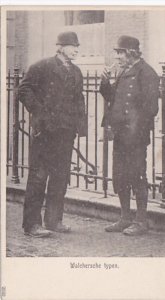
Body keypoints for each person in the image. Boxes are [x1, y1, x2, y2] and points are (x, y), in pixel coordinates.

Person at [18, 31, 86, 237]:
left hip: (65, 133)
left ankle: (54, 221)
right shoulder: (42, 66)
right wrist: (40, 113)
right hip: (45, 132)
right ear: (60, 47)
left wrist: (79, 127)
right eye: (72, 46)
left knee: (60, 177)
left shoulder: (76, 71)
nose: (76, 49)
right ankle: (31, 225)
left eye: (77, 46)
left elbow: (79, 100)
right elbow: (23, 90)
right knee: (38, 177)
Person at [100, 35, 160, 235]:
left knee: (137, 176)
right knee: (120, 176)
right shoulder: (123, 71)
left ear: (130, 53)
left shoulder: (147, 73)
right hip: (120, 135)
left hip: (135, 137)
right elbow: (111, 98)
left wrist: (134, 129)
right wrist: (106, 81)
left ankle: (141, 221)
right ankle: (125, 218)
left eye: (119, 53)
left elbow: (151, 108)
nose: (116, 57)